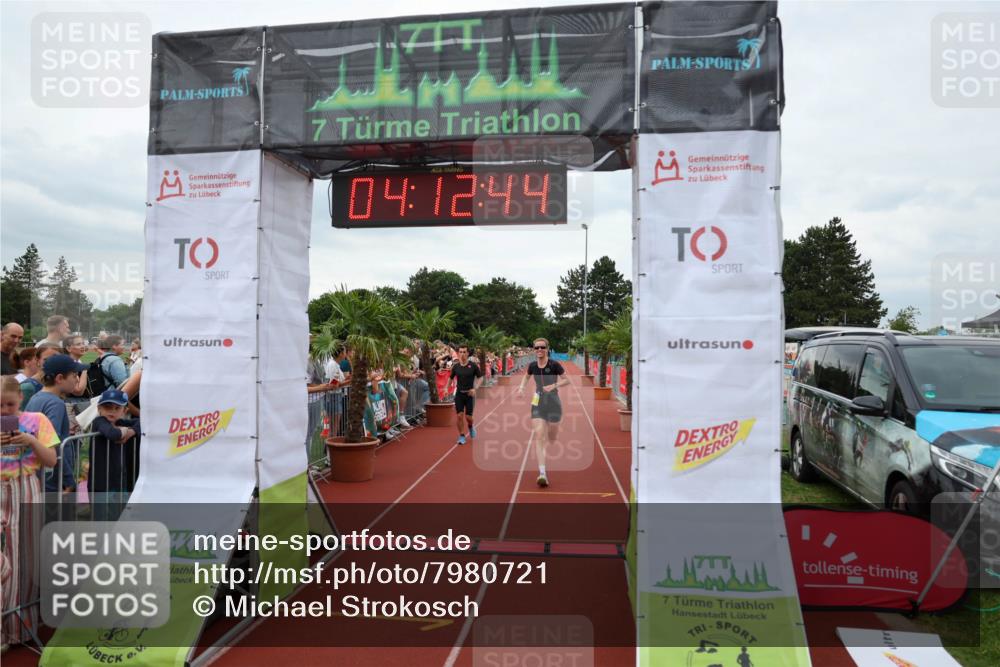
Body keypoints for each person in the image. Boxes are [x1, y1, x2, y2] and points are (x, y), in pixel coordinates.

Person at [1, 375, 59, 647]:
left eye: (9, 405)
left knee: (26, 560)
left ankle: (18, 630)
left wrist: (30, 441)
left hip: (27, 488)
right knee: (5, 564)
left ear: (20, 399)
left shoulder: (37, 420)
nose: (4, 411)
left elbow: (51, 460)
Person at [25, 354, 86, 493]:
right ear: (59, 378)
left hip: (37, 473)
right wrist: (68, 478)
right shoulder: (55, 403)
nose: (77, 379)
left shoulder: (36, 397)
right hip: (52, 479)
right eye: (74, 375)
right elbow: (55, 444)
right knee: (57, 514)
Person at [517, 338, 569, 487]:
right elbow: (526, 377)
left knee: (552, 435)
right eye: (536, 347)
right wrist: (521, 388)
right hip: (538, 401)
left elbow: (567, 380)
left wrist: (554, 384)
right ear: (534, 349)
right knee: (539, 436)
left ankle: (552, 431)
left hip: (553, 401)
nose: (539, 350)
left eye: (542, 347)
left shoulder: (554, 365)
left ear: (547, 348)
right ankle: (542, 474)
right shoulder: (532, 365)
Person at [88, 388, 140, 521]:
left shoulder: (121, 423)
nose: (112, 411)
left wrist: (132, 431)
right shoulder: (99, 422)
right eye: (107, 407)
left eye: (117, 408)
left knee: (119, 519)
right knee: (102, 521)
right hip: (101, 485)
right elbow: (113, 434)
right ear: (99, 408)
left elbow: (144, 423)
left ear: (125, 411)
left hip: (119, 483)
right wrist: (124, 432)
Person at [450, 345, 482, 446]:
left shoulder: (473, 366)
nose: (462, 354)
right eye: (461, 352)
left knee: (468, 417)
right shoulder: (456, 366)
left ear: (468, 353)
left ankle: (471, 426)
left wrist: (475, 388)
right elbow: (450, 378)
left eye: (464, 352)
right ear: (458, 353)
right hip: (459, 394)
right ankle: (462, 435)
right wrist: (446, 388)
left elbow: (480, 378)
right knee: (459, 416)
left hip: (469, 395)